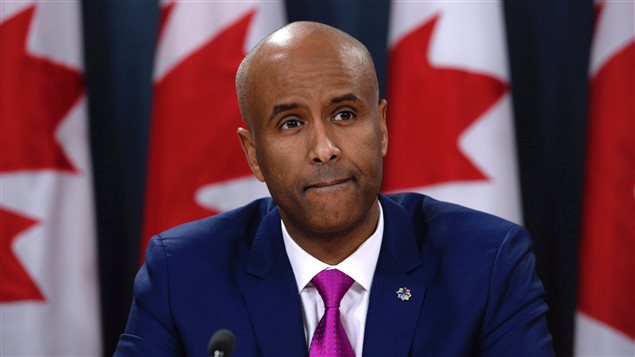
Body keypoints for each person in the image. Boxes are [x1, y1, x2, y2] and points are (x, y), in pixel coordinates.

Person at [115, 21, 553, 356]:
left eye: (344, 114)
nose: (324, 149)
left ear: (380, 128)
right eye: (291, 124)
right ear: (253, 154)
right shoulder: (183, 273)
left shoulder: (486, 264)